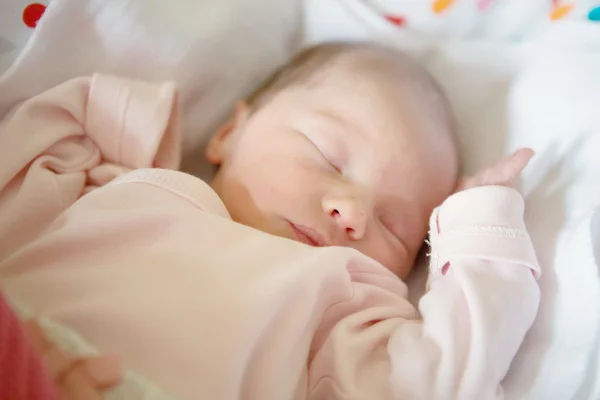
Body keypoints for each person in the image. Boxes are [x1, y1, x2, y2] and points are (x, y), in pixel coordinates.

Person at [0, 42, 539, 399]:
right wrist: (123, 122)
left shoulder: (344, 305)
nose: (351, 213)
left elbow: (438, 380)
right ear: (229, 134)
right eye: (327, 157)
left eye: (393, 225)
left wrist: (477, 230)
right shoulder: (112, 182)